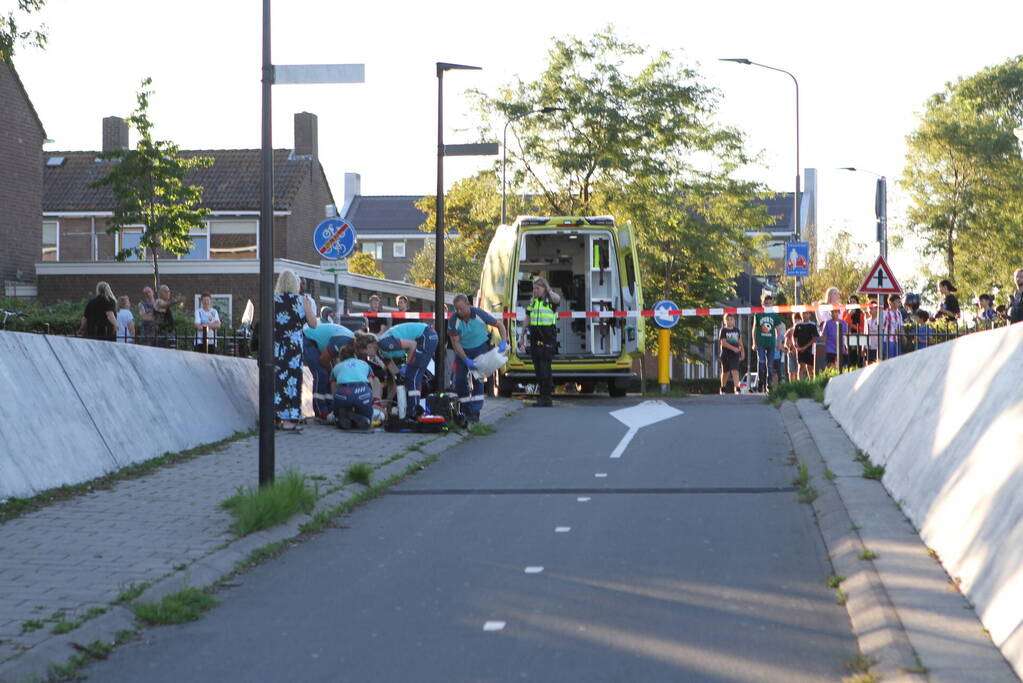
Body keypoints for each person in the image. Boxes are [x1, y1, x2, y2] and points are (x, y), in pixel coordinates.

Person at [448, 293, 509, 422]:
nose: (459, 311)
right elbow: (455, 342)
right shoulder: (454, 320)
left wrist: (504, 341)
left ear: (468, 305)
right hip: (463, 351)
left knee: (478, 378)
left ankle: (475, 412)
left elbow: (500, 325)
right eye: (456, 309)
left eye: (462, 308)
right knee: (459, 380)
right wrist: (465, 359)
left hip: (480, 347)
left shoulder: (480, 314)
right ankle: (465, 409)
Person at [273, 269, 317, 432]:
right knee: (292, 382)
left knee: (277, 381)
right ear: (295, 284)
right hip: (294, 348)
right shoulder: (301, 301)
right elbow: (313, 324)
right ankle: (289, 419)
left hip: (277, 347)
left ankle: (277, 416)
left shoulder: (273, 300)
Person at [377, 321, 439, 417]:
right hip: (424, 336)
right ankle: (413, 411)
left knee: (412, 376)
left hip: (426, 335)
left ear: (370, 346)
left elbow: (412, 345)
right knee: (411, 377)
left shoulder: (383, 343)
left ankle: (413, 413)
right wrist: (389, 400)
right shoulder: (382, 353)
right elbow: (397, 378)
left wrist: (407, 366)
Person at [518, 276, 560, 407]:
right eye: (534, 288)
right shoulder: (534, 302)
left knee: (544, 369)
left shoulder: (550, 300)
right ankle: (543, 396)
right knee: (538, 369)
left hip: (547, 338)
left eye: (538, 288)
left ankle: (546, 397)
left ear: (544, 288)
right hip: (535, 338)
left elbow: (557, 299)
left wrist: (548, 290)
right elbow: (528, 318)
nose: (535, 290)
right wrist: (522, 335)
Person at [303, 320, 356, 422]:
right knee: (321, 373)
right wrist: (333, 372)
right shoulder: (343, 341)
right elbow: (323, 359)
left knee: (329, 377)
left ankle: (330, 409)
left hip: (317, 341)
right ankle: (320, 412)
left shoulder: (350, 342)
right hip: (308, 340)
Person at [332, 335, 378, 430]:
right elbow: (370, 384)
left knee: (339, 410)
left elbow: (333, 389)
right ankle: (363, 419)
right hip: (362, 392)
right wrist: (372, 401)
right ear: (355, 355)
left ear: (341, 357)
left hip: (343, 393)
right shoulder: (364, 364)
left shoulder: (336, 367)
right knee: (367, 414)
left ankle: (341, 418)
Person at [751, 292, 782, 392]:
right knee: (761, 362)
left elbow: (778, 329)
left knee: (770, 364)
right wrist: (754, 342)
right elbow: (754, 329)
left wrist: (779, 342)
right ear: (762, 304)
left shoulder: (774, 315)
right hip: (761, 342)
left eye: (769, 303)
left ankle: (769, 385)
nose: (768, 305)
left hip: (771, 343)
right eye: (766, 303)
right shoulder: (759, 314)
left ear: (772, 304)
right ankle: (761, 383)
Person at [718, 313, 744, 394]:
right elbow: (723, 342)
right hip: (725, 354)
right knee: (725, 371)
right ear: (724, 321)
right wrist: (734, 349)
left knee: (735, 370)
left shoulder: (737, 330)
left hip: (735, 355)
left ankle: (737, 387)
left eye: (731, 319)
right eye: (727, 320)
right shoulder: (723, 330)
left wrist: (742, 351)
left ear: (734, 321)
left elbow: (740, 341)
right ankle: (723, 387)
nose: (729, 321)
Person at [792, 312, 819, 379]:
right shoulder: (797, 325)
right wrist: (796, 345)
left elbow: (815, 338)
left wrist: (806, 347)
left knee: (810, 366)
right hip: (800, 349)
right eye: (803, 313)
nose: (804, 315)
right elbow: (794, 336)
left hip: (810, 349)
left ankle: (812, 382)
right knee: (801, 366)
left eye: (806, 313)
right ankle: (800, 383)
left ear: (810, 315)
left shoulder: (812, 325)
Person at [153, 284, 181, 348]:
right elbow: (163, 305)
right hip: (162, 334)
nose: (168, 293)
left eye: (169, 291)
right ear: (160, 293)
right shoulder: (158, 301)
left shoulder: (166, 303)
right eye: (165, 291)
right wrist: (175, 301)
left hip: (168, 333)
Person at [880, 293, 904, 360]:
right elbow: (881, 327)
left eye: (899, 302)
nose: (899, 303)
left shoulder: (899, 313)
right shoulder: (885, 313)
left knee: (897, 359)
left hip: (897, 340)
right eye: (897, 301)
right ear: (891, 303)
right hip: (887, 340)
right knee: (889, 359)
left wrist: (903, 336)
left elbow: (901, 326)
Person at [844, 294, 865, 368]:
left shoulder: (861, 314)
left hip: (859, 337)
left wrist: (852, 326)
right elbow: (844, 324)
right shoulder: (845, 313)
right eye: (850, 302)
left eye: (854, 301)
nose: (852, 303)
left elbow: (863, 329)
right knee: (850, 357)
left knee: (859, 358)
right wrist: (849, 314)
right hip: (849, 338)